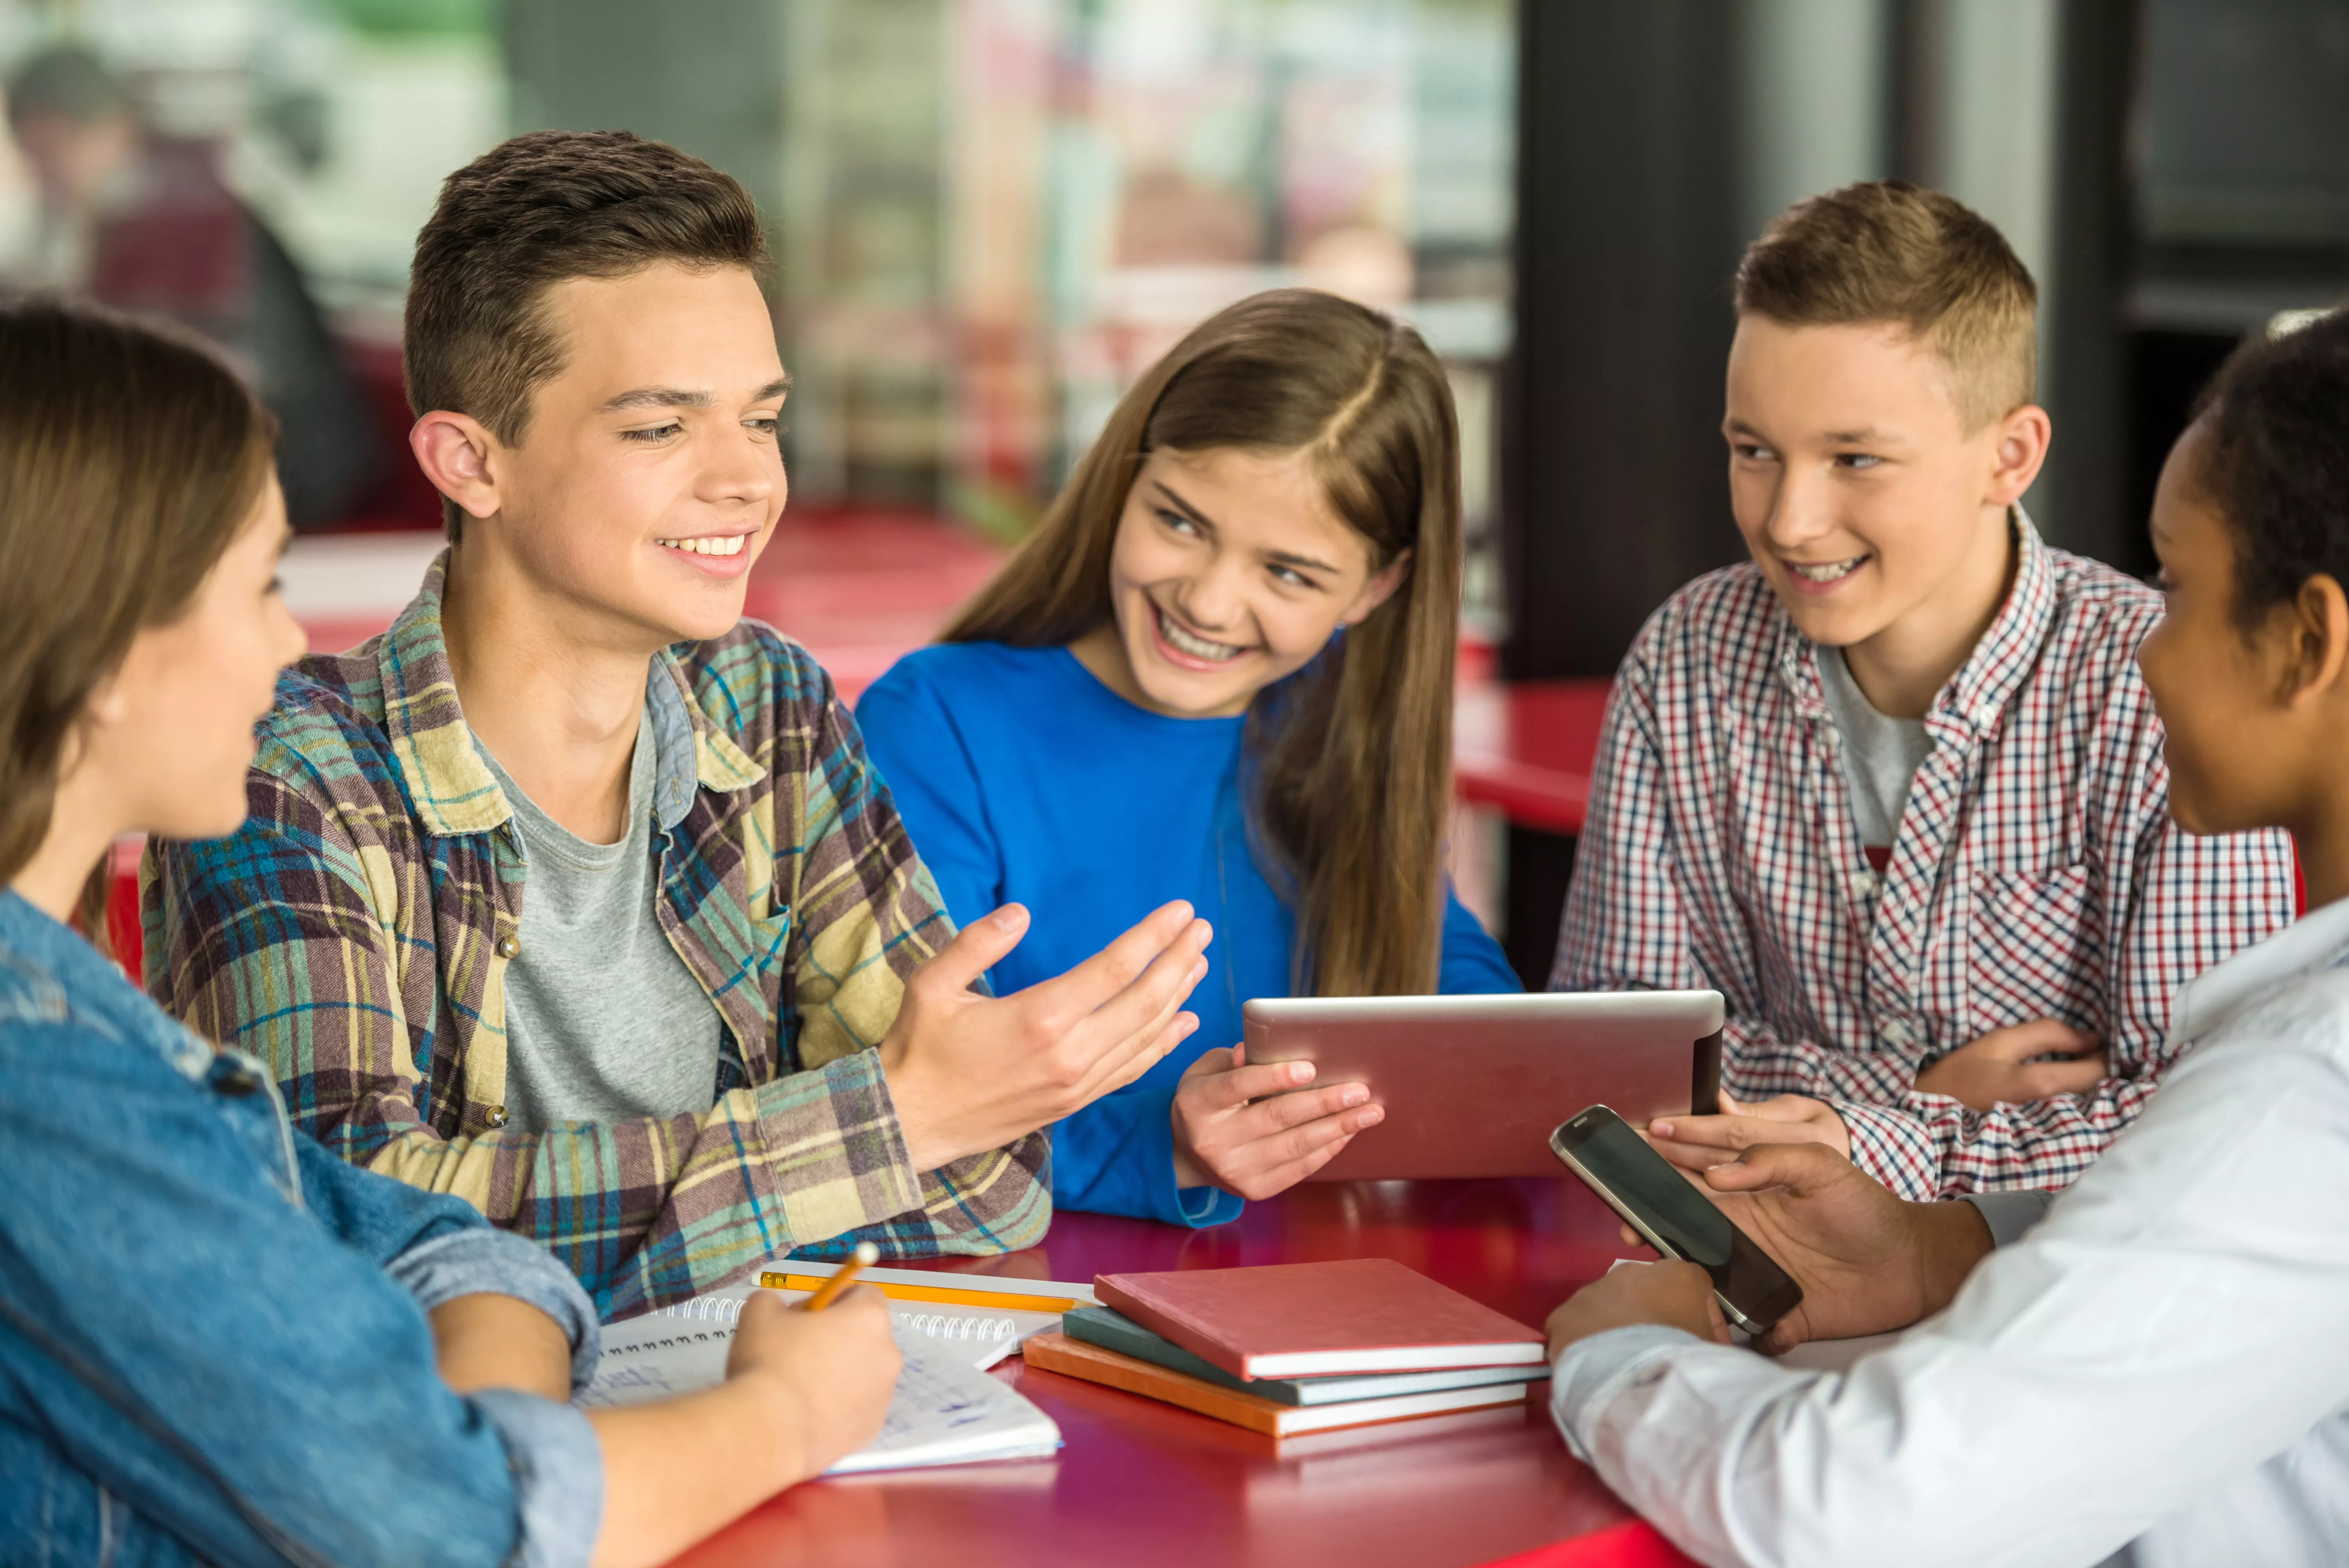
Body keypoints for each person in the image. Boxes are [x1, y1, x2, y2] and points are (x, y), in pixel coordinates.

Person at [144, 129, 1214, 1319]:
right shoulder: (289, 769)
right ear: (468, 462)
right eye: (660, 429)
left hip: (772, 1420)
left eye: (760, 420)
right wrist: (887, 1119)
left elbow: (988, 1185)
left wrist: (918, 1120)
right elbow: (340, 1222)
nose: (748, 480)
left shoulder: (770, 704)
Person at [0, 296, 903, 1568]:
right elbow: (452, 1526)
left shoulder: (71, 1010)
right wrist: (787, 1409)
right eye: (259, 584)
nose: (283, 640)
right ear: (99, 650)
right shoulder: (43, 1085)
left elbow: (399, 1229)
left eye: (762, 418)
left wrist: (496, 1407)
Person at [1545, 306, 2349, 1568]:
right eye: (1753, 448)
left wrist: (1622, 1351)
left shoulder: (2304, 1086)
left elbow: (1851, 1506)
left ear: (2308, 641)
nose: (2144, 647)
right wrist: (1941, 1242)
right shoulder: (2299, 1071)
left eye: (2176, 588)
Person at [1551, 181, 2294, 1200]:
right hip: (1744, 1268)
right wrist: (1908, 1092)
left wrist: (1865, 1139)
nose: (1790, 522)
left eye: (1856, 459)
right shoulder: (1684, 659)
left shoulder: (2155, 683)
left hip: (2047, 1300)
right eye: (1753, 451)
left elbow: (2211, 1118)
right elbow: (1602, 1069)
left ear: (2011, 456)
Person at [857, 289, 1518, 1228]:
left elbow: (1461, 1007)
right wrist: (1160, 1141)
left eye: (1287, 572)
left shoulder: (1344, 735)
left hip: (1314, 1295)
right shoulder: (942, 719)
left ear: (1375, 587)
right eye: (1179, 521)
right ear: (1123, 481)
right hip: (1023, 1290)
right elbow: (889, 1096)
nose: (1207, 602)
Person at [2, 44, 380, 529]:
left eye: (56, 152)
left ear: (116, 129)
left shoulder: (188, 215)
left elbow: (210, 376)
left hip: (290, 464)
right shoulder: (125, 215)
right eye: (33, 157)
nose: (46, 177)